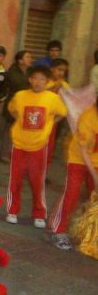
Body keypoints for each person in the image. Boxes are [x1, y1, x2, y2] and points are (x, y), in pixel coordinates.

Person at [5, 65, 67, 228]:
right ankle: (12, 211)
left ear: (47, 81)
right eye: (35, 78)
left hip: (39, 146)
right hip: (19, 144)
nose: (38, 82)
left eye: (42, 79)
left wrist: (50, 124)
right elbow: (12, 110)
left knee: (37, 181)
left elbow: (62, 113)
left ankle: (39, 213)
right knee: (15, 180)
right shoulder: (20, 96)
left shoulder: (52, 98)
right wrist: (19, 121)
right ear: (30, 79)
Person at [49, 101, 98, 250]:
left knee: (93, 198)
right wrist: (95, 176)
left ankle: (87, 233)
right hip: (78, 159)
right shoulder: (88, 117)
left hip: (96, 162)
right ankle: (58, 230)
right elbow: (83, 151)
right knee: (71, 193)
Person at [0, 50, 33, 162]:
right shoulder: (13, 72)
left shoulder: (29, 72)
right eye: (27, 57)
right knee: (9, 129)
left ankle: (17, 152)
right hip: (14, 104)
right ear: (20, 60)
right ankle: (5, 153)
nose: (30, 59)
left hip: (27, 104)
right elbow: (18, 84)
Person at [46, 58, 70, 165]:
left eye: (63, 71)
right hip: (43, 118)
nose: (61, 73)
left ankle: (43, 172)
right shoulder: (45, 81)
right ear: (52, 69)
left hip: (56, 120)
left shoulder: (64, 84)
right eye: (59, 69)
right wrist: (57, 85)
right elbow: (44, 94)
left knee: (50, 146)